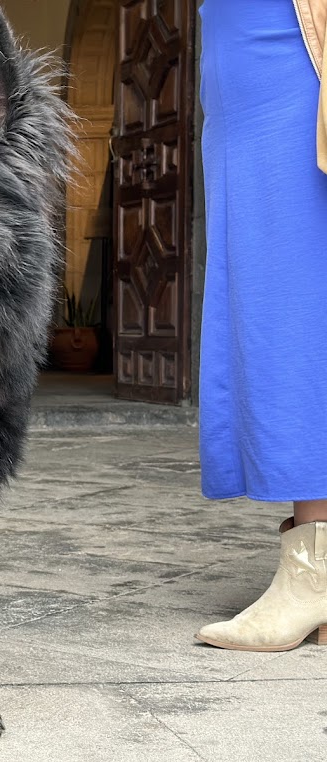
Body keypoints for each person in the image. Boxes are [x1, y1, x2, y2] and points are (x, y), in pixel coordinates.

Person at [194, 0, 327, 651]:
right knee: (271, 299)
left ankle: (315, 577)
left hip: (291, 53)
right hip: (248, 63)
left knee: (292, 303)